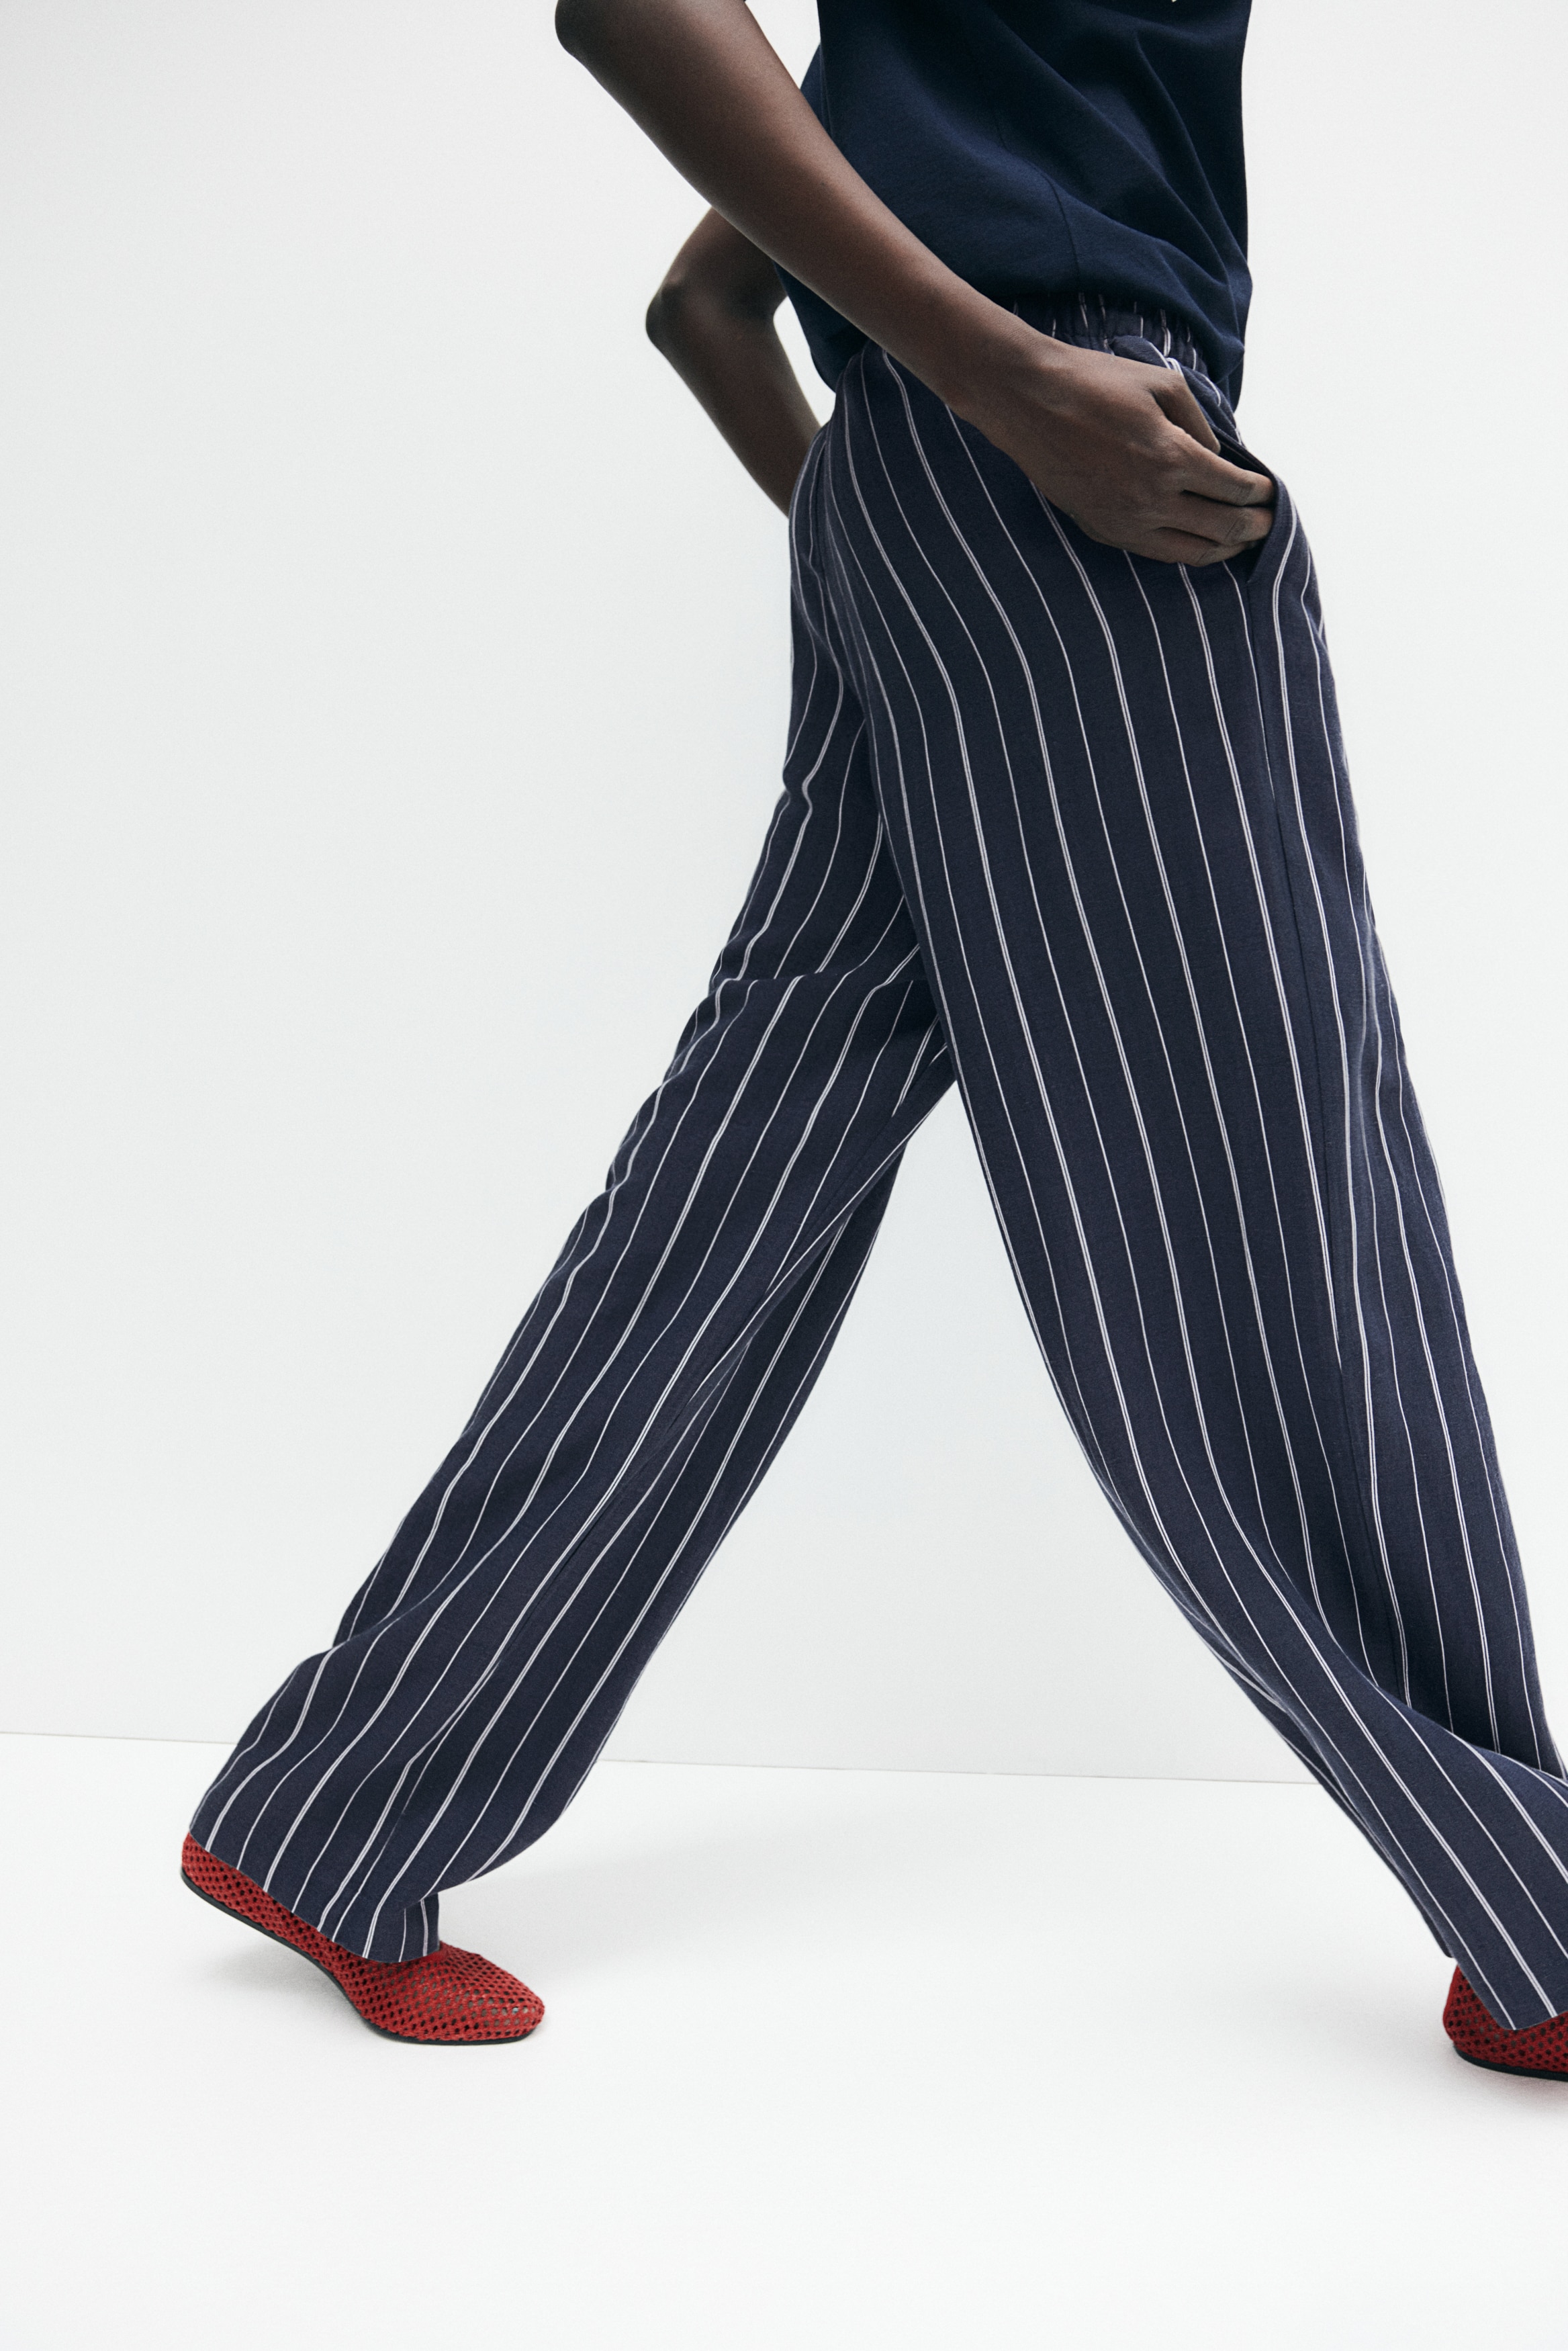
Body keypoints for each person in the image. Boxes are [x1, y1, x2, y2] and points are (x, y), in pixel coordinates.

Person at [180, 0, 1568, 2081]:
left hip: (959, 487)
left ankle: (341, 1807)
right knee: (1273, 1188)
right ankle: (1537, 1906)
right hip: (1070, 469)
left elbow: (708, 305)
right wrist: (1008, 399)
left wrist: (909, 514)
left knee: (746, 1180)